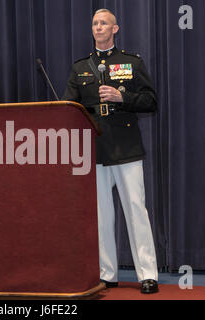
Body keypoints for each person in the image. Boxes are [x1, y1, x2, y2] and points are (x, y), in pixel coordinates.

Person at [62, 9, 159, 294]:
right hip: (96, 148)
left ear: (115, 29)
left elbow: (151, 101)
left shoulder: (130, 62)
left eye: (104, 23)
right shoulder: (81, 67)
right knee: (101, 215)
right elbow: (69, 106)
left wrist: (122, 97)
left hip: (126, 147)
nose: (98, 27)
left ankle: (147, 274)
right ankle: (108, 273)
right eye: (94, 23)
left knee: (135, 210)